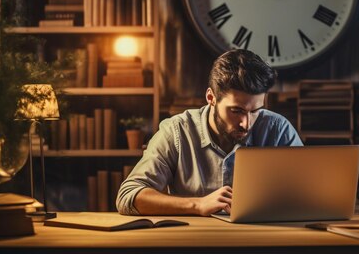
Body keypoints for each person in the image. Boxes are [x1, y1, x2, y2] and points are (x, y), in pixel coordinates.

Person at [117, 49, 303, 216]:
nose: (246, 123)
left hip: (264, 245)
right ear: (211, 98)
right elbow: (128, 196)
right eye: (236, 111)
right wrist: (197, 204)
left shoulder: (278, 129)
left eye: (255, 111)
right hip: (194, 246)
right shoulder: (177, 131)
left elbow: (309, 194)